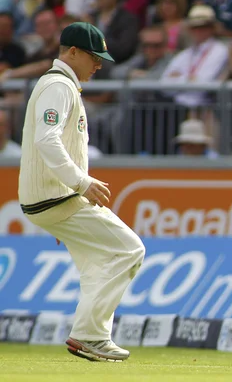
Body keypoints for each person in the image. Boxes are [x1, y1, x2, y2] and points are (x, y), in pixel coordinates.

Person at [17, 22, 145, 362]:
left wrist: (60, 213)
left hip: (53, 199)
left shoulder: (62, 86)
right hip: (57, 196)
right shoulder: (58, 85)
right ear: (72, 52)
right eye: (93, 57)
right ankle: (89, 335)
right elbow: (47, 140)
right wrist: (81, 184)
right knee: (130, 250)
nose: (99, 65)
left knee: (98, 262)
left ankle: (93, 336)